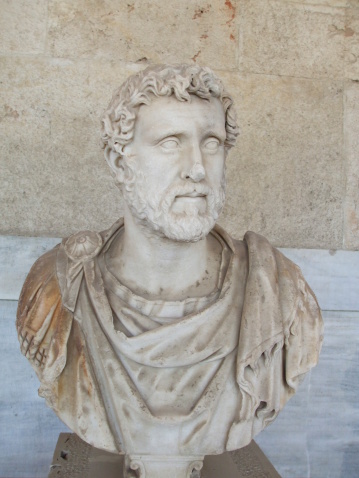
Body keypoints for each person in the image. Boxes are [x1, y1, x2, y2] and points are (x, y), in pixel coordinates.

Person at [17, 64, 323, 458]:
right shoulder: (57, 289)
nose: (197, 167)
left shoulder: (277, 291)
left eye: (211, 142)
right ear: (119, 161)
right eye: (170, 142)